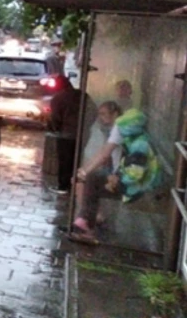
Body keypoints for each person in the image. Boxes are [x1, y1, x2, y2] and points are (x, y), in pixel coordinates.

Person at [71, 108, 163, 243]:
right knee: (92, 179)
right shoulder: (134, 141)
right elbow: (126, 165)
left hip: (134, 188)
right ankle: (86, 220)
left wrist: (117, 179)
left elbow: (135, 173)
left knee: (92, 182)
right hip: (128, 182)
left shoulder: (140, 145)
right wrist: (114, 176)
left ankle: (86, 223)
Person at [75, 101, 122, 223]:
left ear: (114, 114)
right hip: (114, 171)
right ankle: (90, 216)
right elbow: (102, 153)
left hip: (119, 176)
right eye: (99, 114)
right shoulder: (111, 129)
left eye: (104, 114)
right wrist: (85, 169)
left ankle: (87, 219)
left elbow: (104, 155)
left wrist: (85, 171)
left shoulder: (118, 129)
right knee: (82, 181)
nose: (101, 117)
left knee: (83, 183)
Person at [48, 76, 97, 193]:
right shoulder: (82, 95)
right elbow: (93, 111)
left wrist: (56, 129)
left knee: (65, 161)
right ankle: (76, 184)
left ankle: (64, 186)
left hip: (66, 134)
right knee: (77, 159)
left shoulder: (58, 98)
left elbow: (55, 118)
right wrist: (86, 126)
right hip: (82, 134)